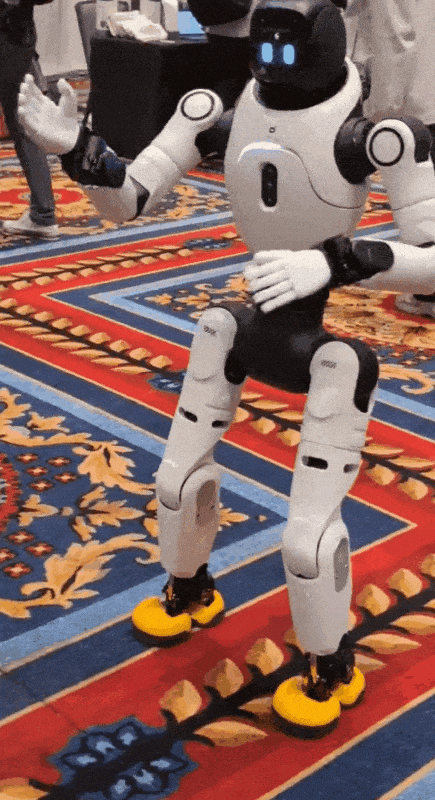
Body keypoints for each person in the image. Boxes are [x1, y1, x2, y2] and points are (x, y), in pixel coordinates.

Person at [17, 0, 435, 736]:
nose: (272, 60)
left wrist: (335, 261)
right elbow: (126, 201)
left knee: (306, 537)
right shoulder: (217, 113)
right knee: (175, 483)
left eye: (286, 48)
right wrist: (77, 148)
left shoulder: (378, 138)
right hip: (241, 326)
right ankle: (189, 587)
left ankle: (328, 661)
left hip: (325, 351)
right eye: (264, 47)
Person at [344, 0, 435, 318]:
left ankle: (429, 294)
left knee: (421, 203)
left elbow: (393, 38)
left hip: (415, 101)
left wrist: (381, 110)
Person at [0, 0, 58, 238]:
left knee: (23, 124)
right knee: (24, 125)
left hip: (12, 39)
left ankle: (43, 214)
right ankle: (43, 214)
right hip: (19, 40)